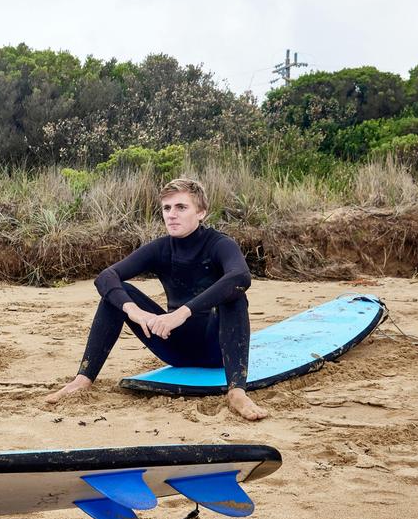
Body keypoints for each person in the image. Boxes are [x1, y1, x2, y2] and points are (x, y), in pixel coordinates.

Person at [44, 178, 268, 421]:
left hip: (218, 351)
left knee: (235, 296)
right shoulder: (161, 249)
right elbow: (106, 277)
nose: (172, 214)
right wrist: (135, 312)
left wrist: (181, 313)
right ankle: (83, 379)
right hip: (174, 347)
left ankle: (236, 392)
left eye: (181, 207)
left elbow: (241, 276)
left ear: (202, 212)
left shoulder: (219, 245)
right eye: (167, 208)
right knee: (118, 294)